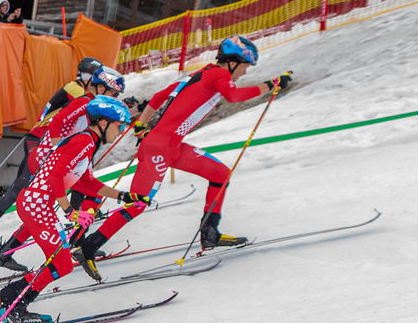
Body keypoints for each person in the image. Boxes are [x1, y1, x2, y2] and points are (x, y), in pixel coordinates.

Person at [77, 37, 291, 264]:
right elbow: (234, 96)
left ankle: (210, 234)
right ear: (233, 62)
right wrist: (271, 85)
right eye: (245, 67)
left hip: (172, 146)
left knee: (220, 174)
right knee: (138, 203)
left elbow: (159, 97)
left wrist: (142, 124)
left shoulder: (203, 73)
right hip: (160, 147)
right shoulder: (220, 75)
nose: (245, 73)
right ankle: (89, 246)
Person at [0, 96, 143, 323]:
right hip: (35, 205)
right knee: (61, 263)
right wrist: (70, 210)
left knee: (61, 264)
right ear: (102, 123)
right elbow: (55, 175)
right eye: (118, 125)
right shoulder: (84, 142)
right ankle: (9, 300)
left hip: (39, 205)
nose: (120, 131)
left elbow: (88, 183)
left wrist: (123, 196)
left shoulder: (86, 144)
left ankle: (11, 299)